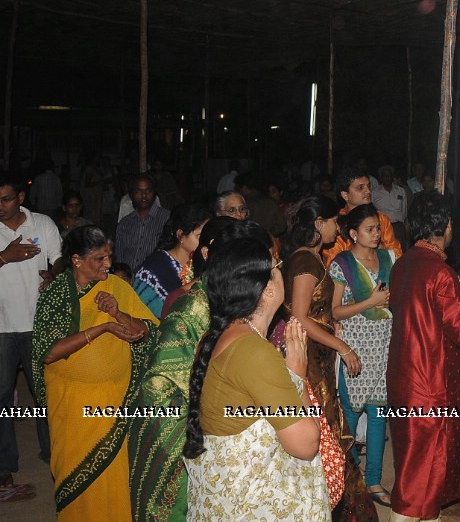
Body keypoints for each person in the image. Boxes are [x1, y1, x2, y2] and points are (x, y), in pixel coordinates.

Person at [129, 219, 274, 522]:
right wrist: (200, 431)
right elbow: (158, 389)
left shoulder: (235, 302)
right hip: (183, 438)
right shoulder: (191, 309)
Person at [183, 241, 327, 521]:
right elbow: (306, 444)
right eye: (277, 267)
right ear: (268, 289)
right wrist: (298, 377)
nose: (282, 270)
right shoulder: (254, 352)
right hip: (249, 504)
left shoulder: (219, 336)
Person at [34, 226, 156, 520]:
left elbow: (146, 332)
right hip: (72, 404)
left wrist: (117, 313)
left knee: (115, 475)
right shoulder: (55, 295)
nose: (107, 264)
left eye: (109, 256)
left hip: (114, 400)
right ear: (76, 260)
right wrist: (101, 328)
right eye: (99, 258)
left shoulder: (116, 287)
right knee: (76, 473)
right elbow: (49, 352)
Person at [388, 190, 460, 522]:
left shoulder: (402, 264)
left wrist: (455, 294)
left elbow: (419, 312)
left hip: (402, 377)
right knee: (424, 466)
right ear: (447, 225)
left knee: (412, 458)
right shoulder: (440, 272)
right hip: (429, 382)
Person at [281, 193, 377, 522]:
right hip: (308, 356)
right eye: (334, 221)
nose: (338, 226)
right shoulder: (306, 260)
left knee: (328, 430)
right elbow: (300, 316)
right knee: (323, 430)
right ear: (318, 223)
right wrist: (343, 346)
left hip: (317, 353)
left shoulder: (311, 256)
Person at [0, 173, 59, 496]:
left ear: (21, 197)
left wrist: (53, 273)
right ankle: (1, 465)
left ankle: (54, 455)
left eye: (6, 199)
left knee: (45, 394)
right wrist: (4, 257)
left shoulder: (42, 224)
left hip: (38, 324)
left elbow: (60, 259)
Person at [329, 203, 394, 506]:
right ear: (353, 233)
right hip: (355, 345)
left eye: (378, 228)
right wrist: (371, 301)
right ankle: (347, 476)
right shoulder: (342, 262)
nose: (377, 234)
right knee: (350, 416)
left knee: (379, 414)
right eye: (370, 229)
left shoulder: (387, 257)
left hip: (383, 343)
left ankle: (374, 480)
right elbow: (336, 310)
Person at [132, 202, 212, 318]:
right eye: (200, 236)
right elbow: (140, 313)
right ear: (180, 235)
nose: (205, 241)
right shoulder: (155, 267)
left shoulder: (204, 263)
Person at [323, 167, 402, 264]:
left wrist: (380, 250)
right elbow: (332, 263)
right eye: (360, 188)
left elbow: (396, 254)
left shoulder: (381, 218)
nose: (368, 191)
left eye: (369, 186)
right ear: (345, 195)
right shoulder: (336, 222)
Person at [115, 173, 170, 271]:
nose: (144, 195)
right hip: (128, 281)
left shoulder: (167, 219)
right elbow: (119, 257)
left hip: (155, 280)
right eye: (138, 191)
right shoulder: (125, 223)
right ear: (131, 195)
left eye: (148, 191)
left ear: (154, 193)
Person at [372, 165, 410, 247]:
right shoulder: (375, 192)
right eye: (384, 176)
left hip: (398, 227)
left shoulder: (401, 191)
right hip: (383, 228)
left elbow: (404, 210)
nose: (387, 178)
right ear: (381, 178)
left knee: (401, 253)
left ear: (392, 177)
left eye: (389, 176)